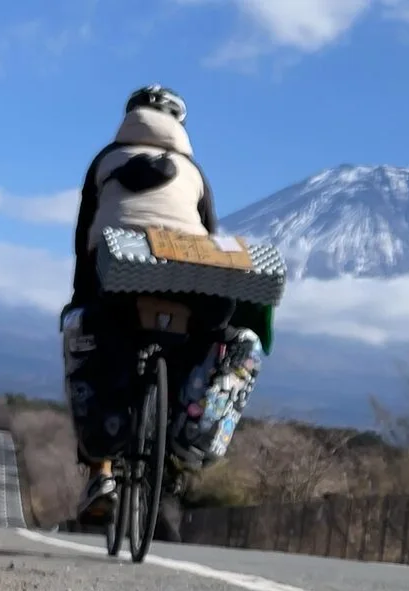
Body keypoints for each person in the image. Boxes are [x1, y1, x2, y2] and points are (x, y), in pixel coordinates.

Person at [62, 84, 274, 525]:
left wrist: (81, 298)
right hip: (192, 289)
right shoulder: (194, 173)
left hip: (119, 285)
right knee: (202, 350)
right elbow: (211, 237)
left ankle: (101, 471)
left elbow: (85, 241)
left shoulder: (105, 162)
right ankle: (177, 446)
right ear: (179, 125)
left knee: (95, 352)